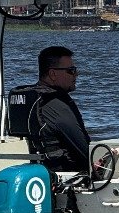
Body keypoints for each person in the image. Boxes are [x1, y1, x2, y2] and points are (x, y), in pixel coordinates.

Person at [9, 45, 91, 173]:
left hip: (36, 171)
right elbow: (84, 151)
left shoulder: (28, 99)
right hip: (65, 176)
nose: (76, 74)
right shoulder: (55, 104)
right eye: (71, 70)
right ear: (52, 74)